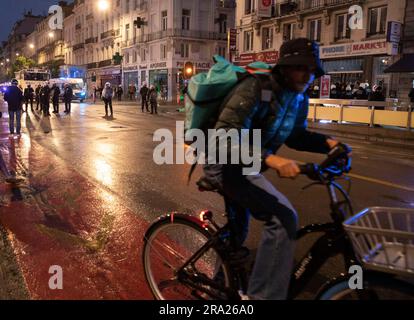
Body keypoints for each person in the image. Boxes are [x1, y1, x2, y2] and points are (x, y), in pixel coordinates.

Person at [201, 38, 351, 300]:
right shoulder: (255, 87)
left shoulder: (298, 97)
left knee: (239, 231)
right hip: (224, 163)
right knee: (283, 218)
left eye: (311, 69)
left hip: (247, 164)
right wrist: (272, 160)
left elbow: (295, 135)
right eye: (300, 67)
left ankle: (218, 288)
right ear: (284, 67)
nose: (307, 74)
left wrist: (330, 144)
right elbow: (224, 135)